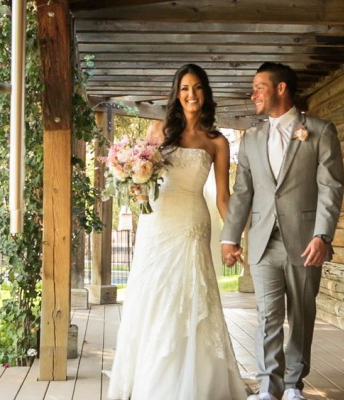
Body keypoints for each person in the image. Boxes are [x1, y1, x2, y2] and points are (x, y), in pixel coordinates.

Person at [107, 64, 247, 400]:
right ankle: (151, 380)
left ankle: (197, 382)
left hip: (192, 223)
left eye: (197, 88)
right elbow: (140, 176)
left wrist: (234, 236)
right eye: (185, 88)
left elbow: (225, 197)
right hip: (158, 223)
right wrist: (132, 183)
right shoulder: (158, 130)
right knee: (155, 296)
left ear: (205, 93)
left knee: (191, 295)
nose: (191, 94)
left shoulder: (217, 142)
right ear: (177, 93)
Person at [220, 62, 344, 400]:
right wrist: (230, 237)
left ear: (281, 88)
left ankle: (293, 385)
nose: (253, 93)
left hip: (306, 242)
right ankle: (267, 388)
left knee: (302, 315)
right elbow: (243, 191)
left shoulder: (319, 131)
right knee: (267, 317)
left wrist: (323, 235)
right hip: (262, 241)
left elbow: (331, 187)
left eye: (259, 86)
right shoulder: (251, 139)